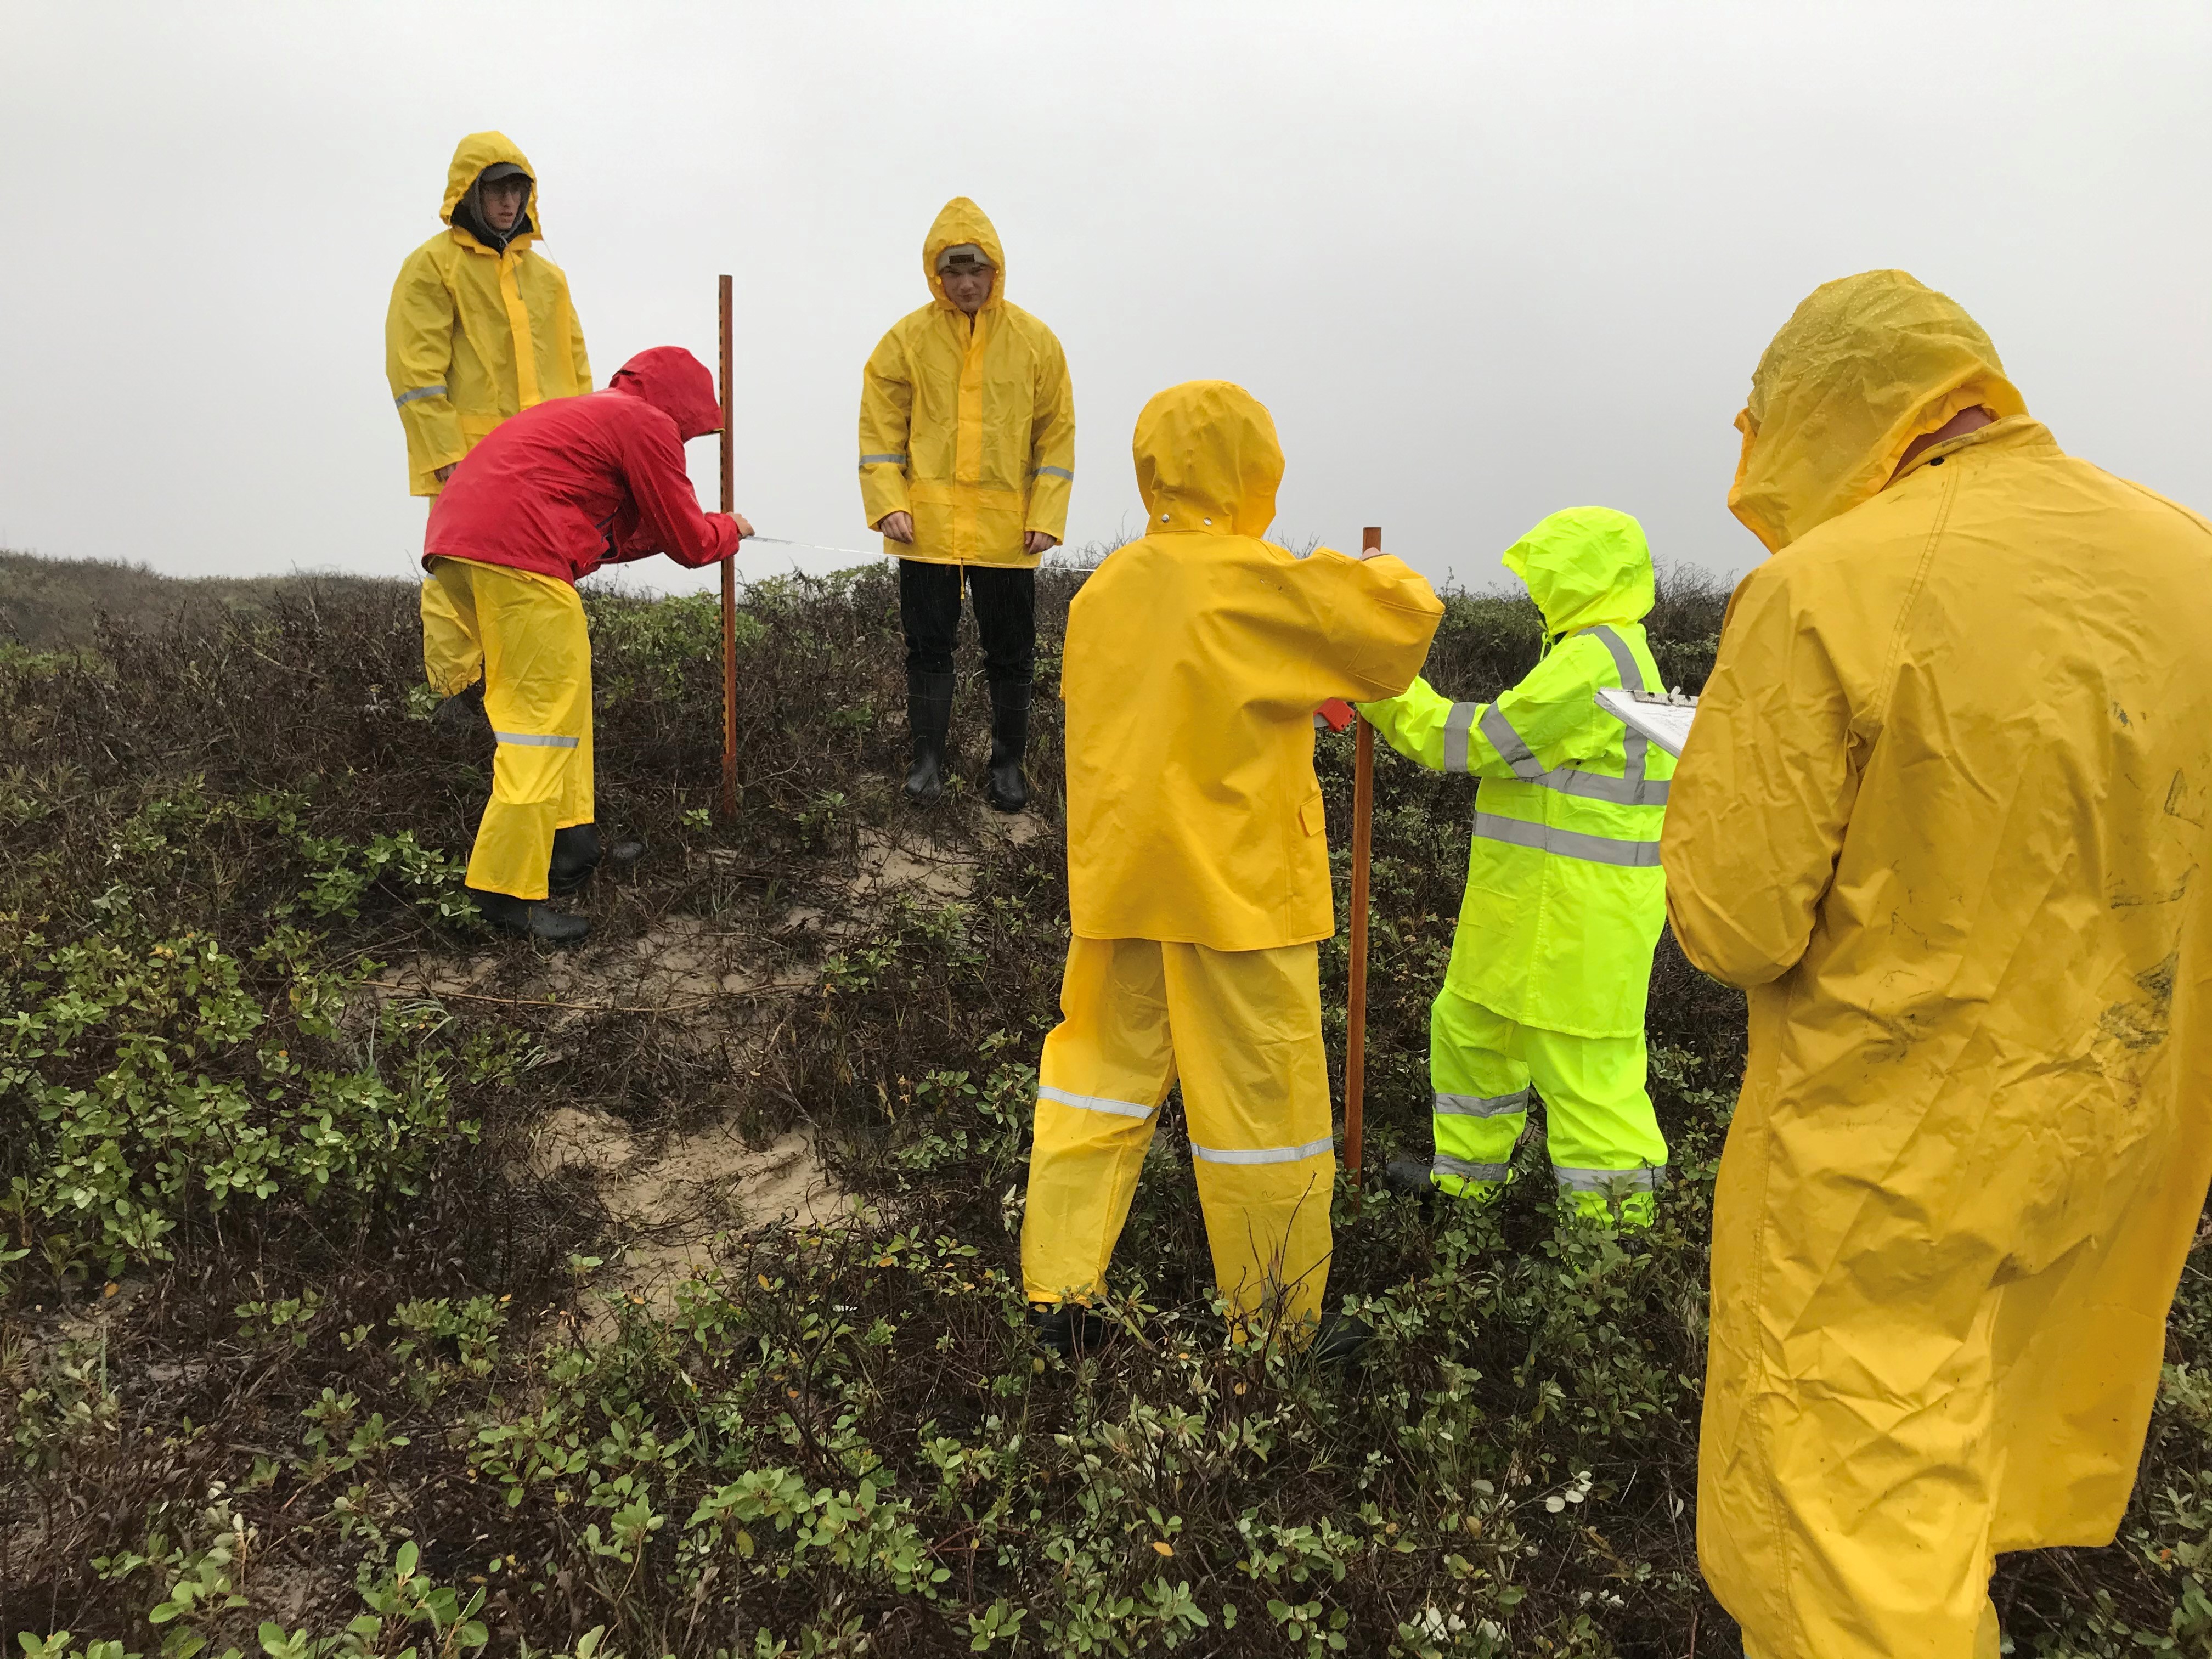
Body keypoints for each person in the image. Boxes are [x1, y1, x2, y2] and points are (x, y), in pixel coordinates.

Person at [1663, 270, 2212, 1658]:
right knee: (1991, 1416)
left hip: (1889, 1160)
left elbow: (1737, 927)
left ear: (1816, 417)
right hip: (2119, 1114)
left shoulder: (1823, 590)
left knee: (1852, 1533)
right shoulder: (2190, 556)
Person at [1020, 380, 1442, 1360]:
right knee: (1265, 1109)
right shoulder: (1258, 582)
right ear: (1258, 469)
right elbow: (1397, 634)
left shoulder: (1103, 588)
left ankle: (1060, 1291)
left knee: (1095, 1081)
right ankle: (1279, 1320)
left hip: (1122, 879)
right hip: (1240, 889)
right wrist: (1365, 567)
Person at [1357, 507, 1672, 1224]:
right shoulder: (1594, 651)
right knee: (1472, 1032)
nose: (1534, 592)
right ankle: (1467, 1190)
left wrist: (1382, 687)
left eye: (1546, 576)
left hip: (1573, 926)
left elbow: (1473, 742)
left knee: (1590, 1080)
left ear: (1582, 576)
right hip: (1529, 915)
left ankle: (1612, 1257)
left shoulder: (1598, 660)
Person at [422, 347, 753, 943]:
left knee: (562, 710)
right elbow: (690, 541)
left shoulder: (594, 416)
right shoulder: (647, 423)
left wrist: (694, 531)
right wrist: (729, 528)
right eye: (694, 430)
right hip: (519, 559)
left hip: (460, 550)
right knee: (539, 725)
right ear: (683, 405)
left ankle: (574, 844)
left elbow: (608, 537)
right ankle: (502, 894)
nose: (688, 441)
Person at [857, 197, 1075, 811]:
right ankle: (926, 761)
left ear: (995, 270)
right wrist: (887, 503)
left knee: (1011, 652)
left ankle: (1008, 767)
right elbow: (879, 430)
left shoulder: (1036, 342)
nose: (967, 283)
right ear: (937, 274)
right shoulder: (905, 341)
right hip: (923, 528)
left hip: (1010, 537)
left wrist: (1046, 514)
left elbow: (1056, 434)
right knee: (926, 648)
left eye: (976, 271)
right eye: (954, 272)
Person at [387, 132, 591, 723]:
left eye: (517, 188)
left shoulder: (548, 280)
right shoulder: (432, 266)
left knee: (542, 570)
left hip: (546, 460)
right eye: (497, 188)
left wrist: (584, 456)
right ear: (469, 192)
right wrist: (443, 454)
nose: (508, 201)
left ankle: (522, 689)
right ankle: (459, 696)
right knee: (456, 573)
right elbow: (414, 370)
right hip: (470, 458)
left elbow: (575, 369)